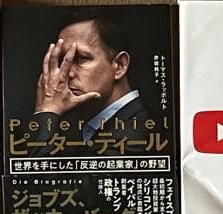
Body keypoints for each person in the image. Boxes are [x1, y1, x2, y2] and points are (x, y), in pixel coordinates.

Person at [29, 9, 148, 156]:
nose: (69, 73)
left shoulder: (134, 138)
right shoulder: (81, 127)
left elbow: (41, 171)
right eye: (64, 60)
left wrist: (47, 111)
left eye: (81, 59)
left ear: (119, 66)